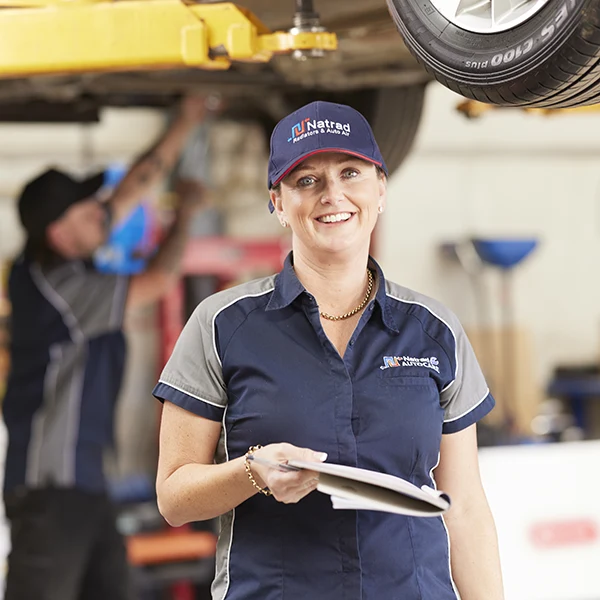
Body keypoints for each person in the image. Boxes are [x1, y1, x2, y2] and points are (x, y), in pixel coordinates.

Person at [153, 100, 505, 600]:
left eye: (350, 172)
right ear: (277, 202)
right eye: (306, 180)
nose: (332, 194)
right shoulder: (221, 324)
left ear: (380, 189)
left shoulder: (433, 330)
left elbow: (465, 506)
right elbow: (174, 499)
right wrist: (252, 471)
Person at [2, 95, 209, 600]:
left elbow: (134, 185)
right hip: (52, 491)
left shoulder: (68, 262)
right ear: (59, 230)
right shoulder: (56, 287)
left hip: (87, 488)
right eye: (88, 210)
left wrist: (187, 118)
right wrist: (184, 214)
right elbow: (157, 280)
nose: (102, 212)